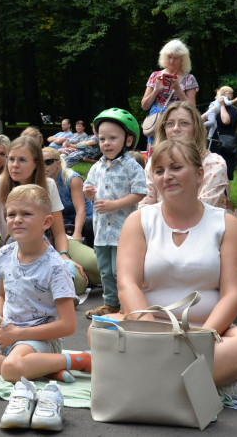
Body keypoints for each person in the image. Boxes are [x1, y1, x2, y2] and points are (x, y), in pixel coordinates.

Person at [116, 138, 237, 405]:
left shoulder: (226, 224)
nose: (167, 176)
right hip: (148, 329)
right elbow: (127, 284)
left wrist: (201, 338)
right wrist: (153, 337)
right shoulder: (138, 221)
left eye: (176, 167)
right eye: (159, 170)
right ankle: (213, 381)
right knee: (100, 332)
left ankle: (154, 382)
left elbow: (232, 295)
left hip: (208, 333)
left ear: (199, 174)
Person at [0, 184, 86, 432]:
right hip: (9, 337)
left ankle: (77, 360)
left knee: (12, 369)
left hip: (39, 339)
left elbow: (68, 325)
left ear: (47, 221)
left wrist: (18, 335)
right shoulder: (4, 254)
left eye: (26, 214)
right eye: (11, 214)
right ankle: (48, 368)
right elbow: (2, 295)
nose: (17, 220)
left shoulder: (56, 267)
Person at [0, 136, 93, 289]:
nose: (14, 165)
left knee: (95, 265)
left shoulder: (48, 184)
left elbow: (59, 232)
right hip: (14, 250)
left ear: (36, 163)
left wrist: (63, 256)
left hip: (51, 244)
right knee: (78, 284)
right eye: (11, 159)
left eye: (22, 160)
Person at [82, 109, 147, 319]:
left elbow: (139, 193)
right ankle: (110, 304)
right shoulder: (97, 167)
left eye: (112, 138)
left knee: (122, 271)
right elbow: (88, 187)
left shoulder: (131, 166)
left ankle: (126, 305)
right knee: (105, 270)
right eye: (101, 139)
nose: (106, 143)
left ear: (128, 140)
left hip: (123, 231)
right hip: (102, 230)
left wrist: (114, 204)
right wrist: (88, 192)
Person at [139, 101, 231, 210]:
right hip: (156, 226)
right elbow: (144, 207)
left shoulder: (214, 163)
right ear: (164, 130)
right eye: (170, 123)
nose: (176, 128)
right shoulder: (154, 162)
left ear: (196, 128)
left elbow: (203, 211)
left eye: (184, 123)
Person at [140, 39, 199, 148]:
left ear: (182, 59)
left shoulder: (189, 79)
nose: (171, 61)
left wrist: (177, 89)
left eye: (175, 58)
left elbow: (192, 108)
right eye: (169, 57)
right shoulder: (155, 76)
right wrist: (156, 90)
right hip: (157, 125)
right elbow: (144, 106)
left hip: (177, 126)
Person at [42, 147, 93, 246]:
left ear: (59, 163)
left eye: (48, 162)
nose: (44, 166)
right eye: (40, 162)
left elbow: (81, 210)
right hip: (63, 222)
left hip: (84, 221)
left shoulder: (72, 179)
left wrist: (77, 233)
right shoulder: (42, 182)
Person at [207, 86, 237, 181]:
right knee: (210, 173)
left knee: (224, 174)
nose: (216, 97)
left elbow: (225, 121)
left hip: (225, 145)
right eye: (217, 95)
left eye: (218, 95)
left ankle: (225, 196)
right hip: (212, 143)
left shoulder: (232, 110)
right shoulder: (213, 108)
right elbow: (203, 118)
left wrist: (222, 105)